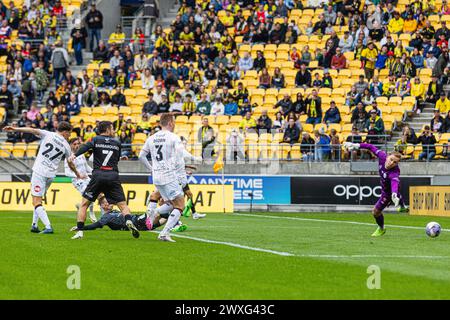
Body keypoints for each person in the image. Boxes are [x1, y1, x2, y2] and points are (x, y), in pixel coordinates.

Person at [2, 122, 81, 234]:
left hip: (40, 172)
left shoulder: (48, 134)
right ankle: (34, 225)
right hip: (50, 175)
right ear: (64, 132)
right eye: (69, 133)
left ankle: (48, 226)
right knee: (38, 200)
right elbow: (70, 163)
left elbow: (31, 130)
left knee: (36, 201)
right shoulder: (67, 146)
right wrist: (77, 173)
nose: (69, 136)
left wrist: (15, 129)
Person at [69, 121, 140, 240]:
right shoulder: (117, 143)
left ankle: (80, 232)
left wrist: (75, 155)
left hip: (98, 175)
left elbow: (86, 147)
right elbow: (115, 159)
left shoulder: (96, 139)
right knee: (122, 205)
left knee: (84, 204)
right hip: (113, 176)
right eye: (112, 129)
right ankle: (128, 220)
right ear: (107, 129)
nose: (113, 131)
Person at [137, 113, 186, 242]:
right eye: (174, 122)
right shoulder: (173, 137)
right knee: (180, 205)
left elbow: (141, 156)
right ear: (170, 123)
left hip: (157, 176)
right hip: (168, 175)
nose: (174, 124)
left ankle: (153, 212)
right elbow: (180, 157)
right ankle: (164, 232)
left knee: (170, 203)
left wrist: (151, 168)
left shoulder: (152, 138)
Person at [343, 142, 409, 237]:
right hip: (384, 188)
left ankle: (381, 229)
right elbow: (370, 146)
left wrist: (393, 194)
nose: (392, 163)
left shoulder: (394, 172)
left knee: (375, 212)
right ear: (387, 156)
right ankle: (402, 206)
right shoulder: (382, 156)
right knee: (394, 196)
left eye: (395, 162)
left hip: (388, 193)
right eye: (391, 160)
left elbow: (395, 182)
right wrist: (356, 145)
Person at [64, 138, 98, 223]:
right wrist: (78, 175)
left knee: (94, 194)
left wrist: (94, 172)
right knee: (88, 194)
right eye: (74, 144)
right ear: (70, 145)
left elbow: (86, 167)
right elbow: (67, 173)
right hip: (77, 180)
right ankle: (91, 212)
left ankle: (80, 206)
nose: (77, 146)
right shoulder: (68, 157)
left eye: (78, 144)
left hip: (86, 178)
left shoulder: (81, 155)